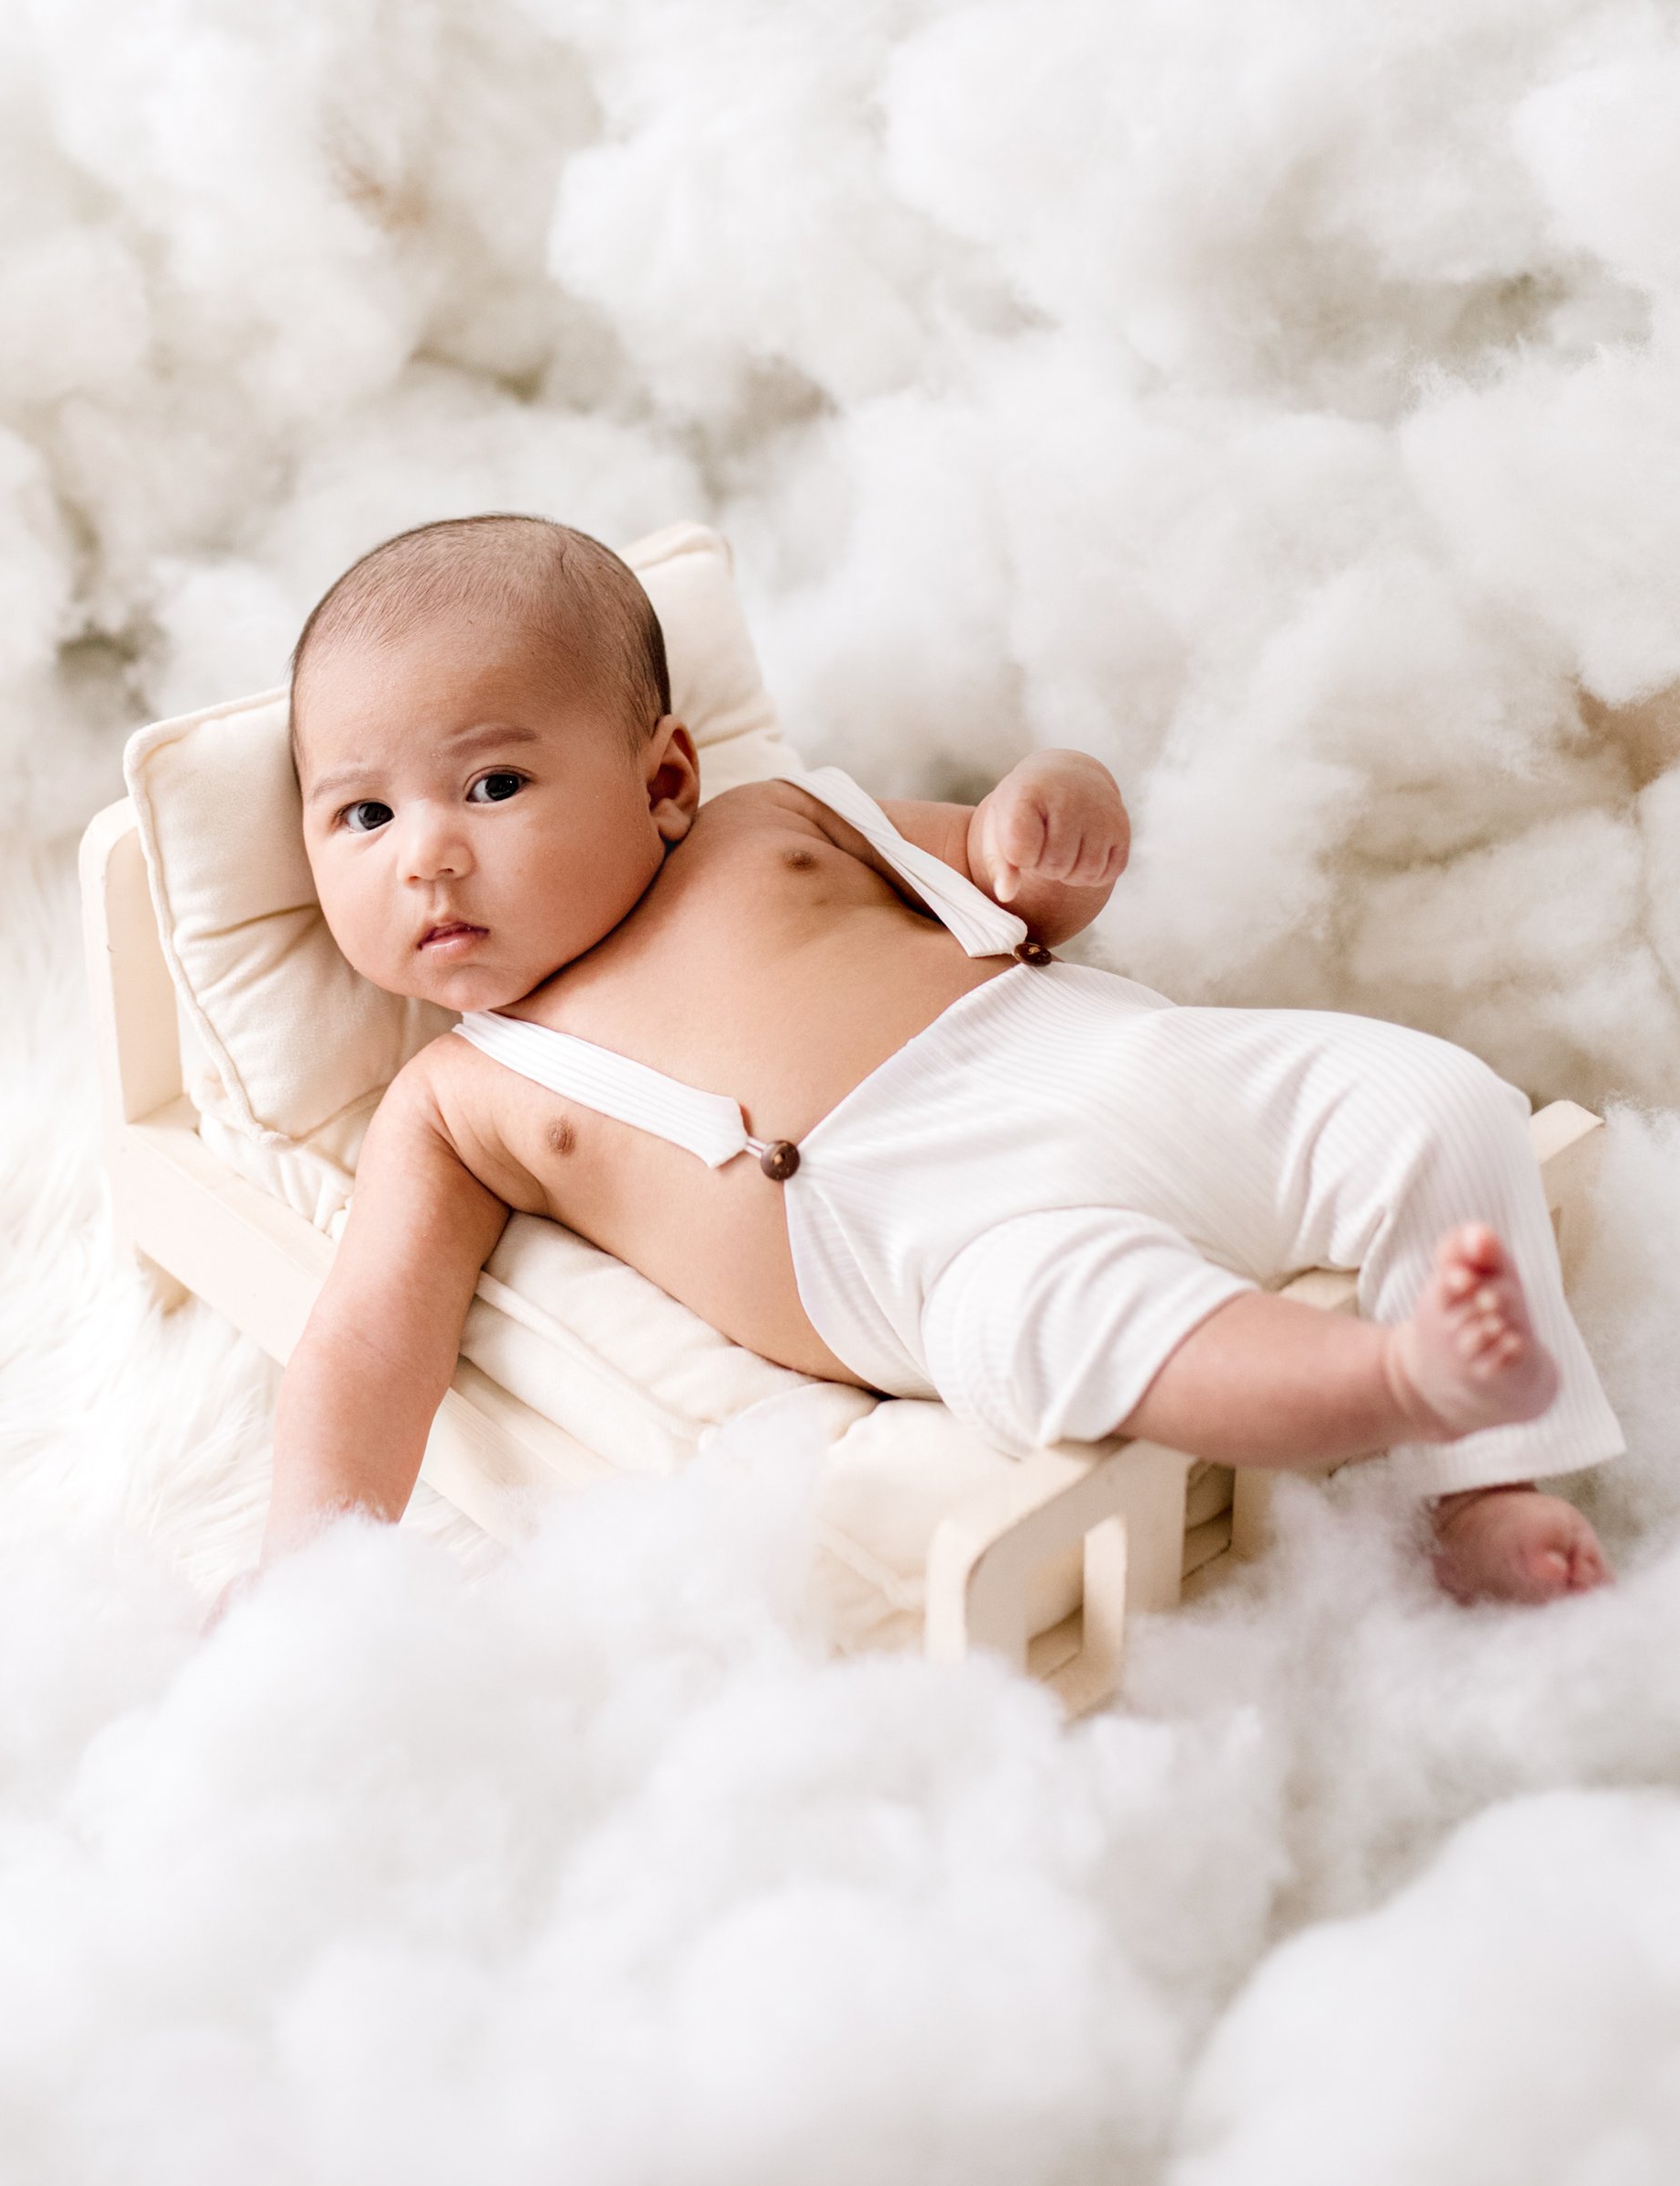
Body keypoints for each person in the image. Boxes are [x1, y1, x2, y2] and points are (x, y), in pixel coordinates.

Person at [267, 514, 1620, 1604]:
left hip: (1121, 1061)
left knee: (1426, 1100)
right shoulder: (454, 1099)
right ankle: (1392, 1382)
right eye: (363, 812)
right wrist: (302, 1572)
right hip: (949, 1246)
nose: (425, 852)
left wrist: (1054, 813)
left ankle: (1489, 1480)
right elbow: (371, 1336)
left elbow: (1006, 870)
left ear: (666, 780)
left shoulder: (771, 824)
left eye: (494, 784)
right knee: (1092, 1323)